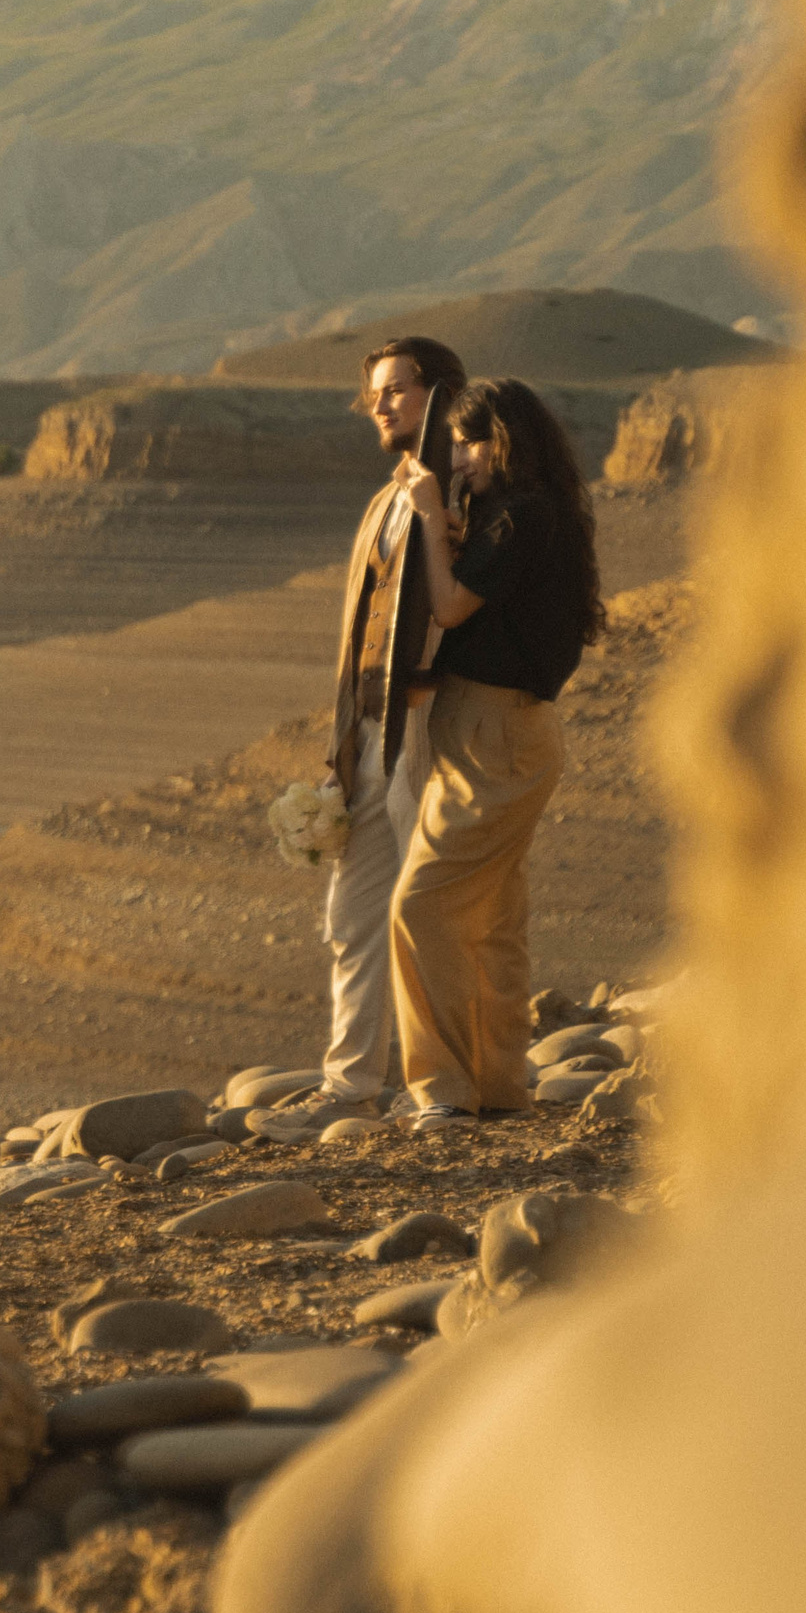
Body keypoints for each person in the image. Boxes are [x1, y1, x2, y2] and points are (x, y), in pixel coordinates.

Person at [388, 377, 605, 1127]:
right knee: (490, 914)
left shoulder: (522, 517)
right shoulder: (521, 516)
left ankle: (444, 1091)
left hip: (495, 736)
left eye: (467, 443)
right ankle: (498, 1086)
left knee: (420, 905)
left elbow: (451, 606)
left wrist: (424, 518)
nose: (458, 459)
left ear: (500, 439)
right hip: (495, 732)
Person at [290, 335, 469, 1120]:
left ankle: (444, 1086)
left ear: (440, 393)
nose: (382, 403)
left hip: (431, 727)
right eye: (376, 393)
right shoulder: (386, 499)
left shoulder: (463, 491)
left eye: (397, 388)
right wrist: (339, 748)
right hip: (369, 733)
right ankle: (350, 1085)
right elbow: (358, 629)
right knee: (352, 915)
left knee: (426, 910)